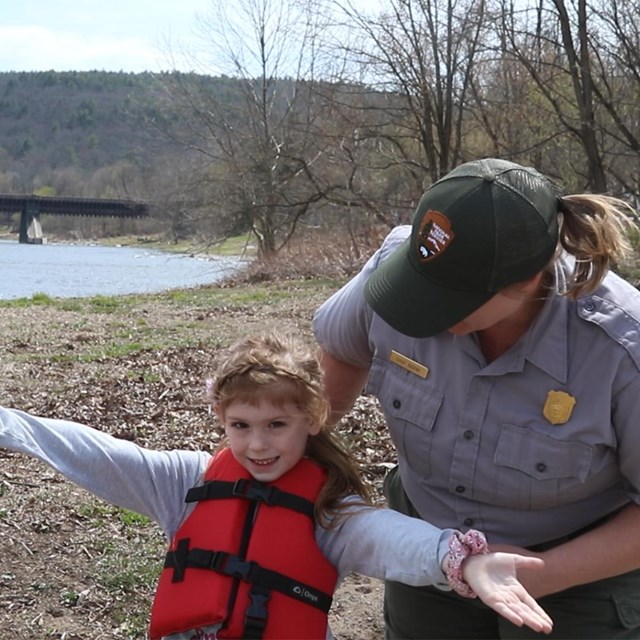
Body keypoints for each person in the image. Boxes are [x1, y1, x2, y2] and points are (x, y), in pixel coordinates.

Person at [0, 332, 552, 639]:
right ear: (220, 416)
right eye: (241, 426)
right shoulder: (186, 481)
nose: (258, 446)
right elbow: (100, 454)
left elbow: (390, 538)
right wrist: (13, 428)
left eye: (276, 426)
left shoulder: (329, 509)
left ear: (312, 418)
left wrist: (463, 561)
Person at [313, 157, 640, 639]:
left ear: (529, 281)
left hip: (578, 568)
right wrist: (293, 457)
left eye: (449, 299)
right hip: (428, 537)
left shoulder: (621, 348)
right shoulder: (398, 267)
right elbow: (341, 353)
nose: (422, 311)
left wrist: (543, 574)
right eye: (418, 286)